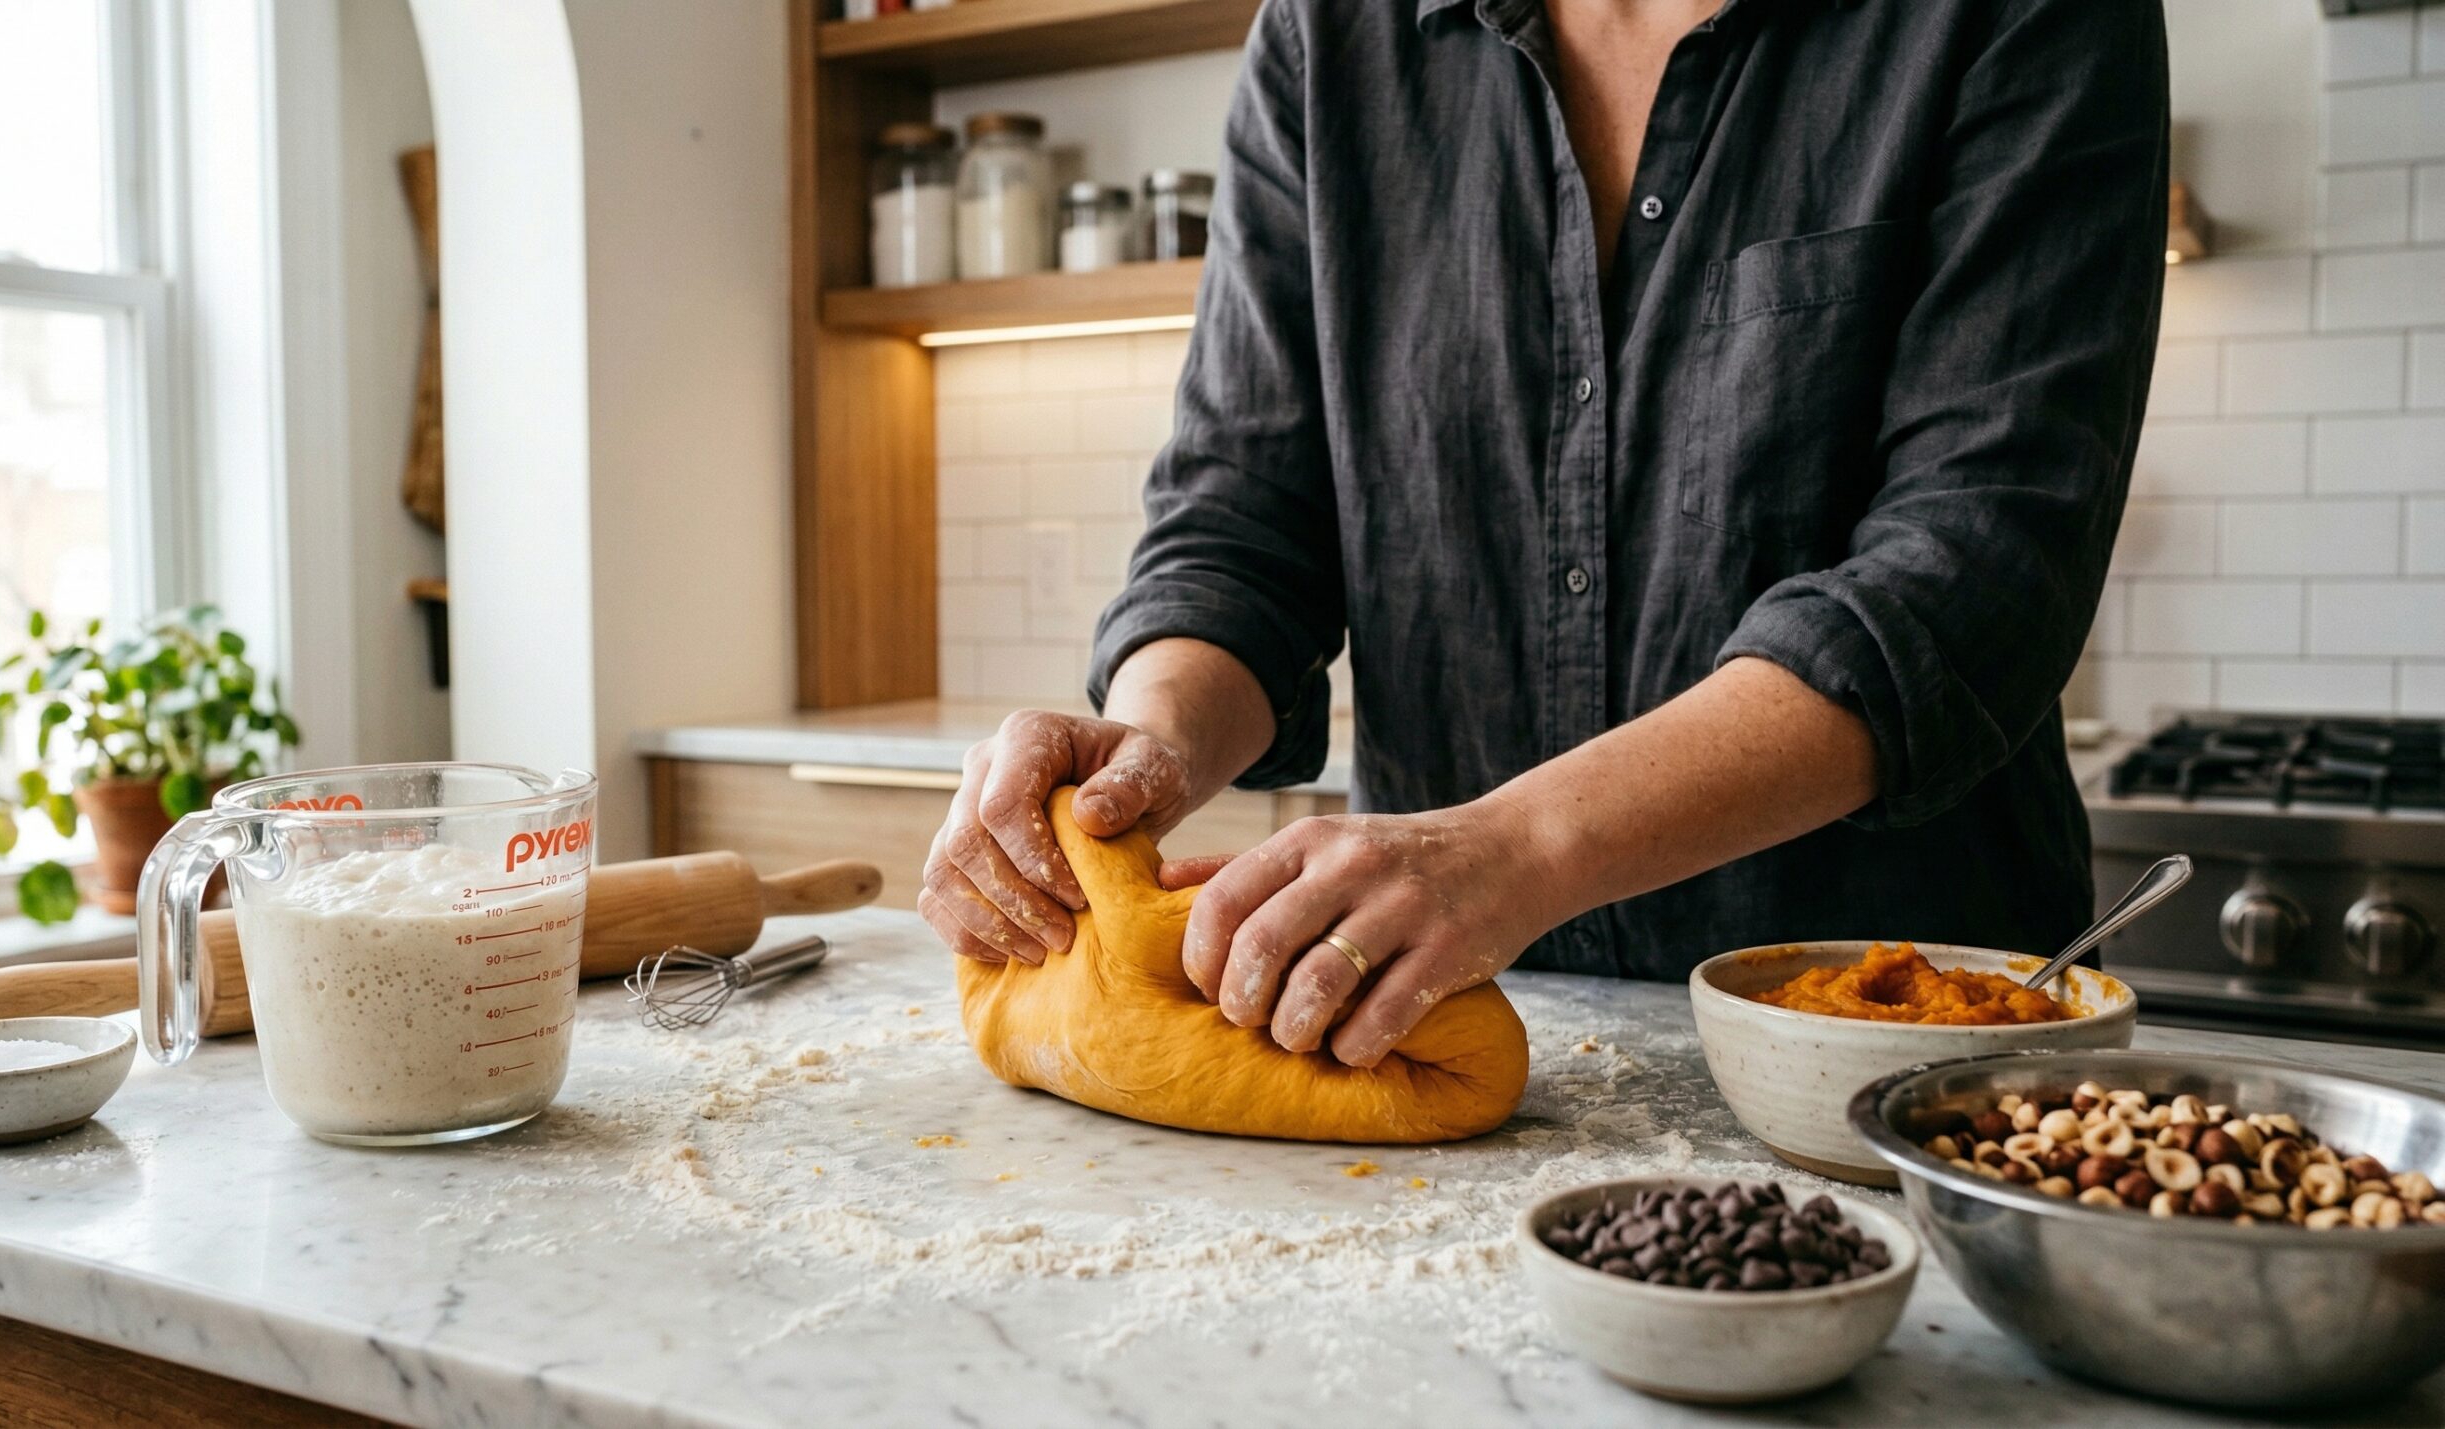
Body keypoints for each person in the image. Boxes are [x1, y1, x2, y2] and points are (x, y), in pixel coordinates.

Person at [922, 0, 2168, 1073]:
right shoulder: (1330, 35)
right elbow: (1241, 526)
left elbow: (1966, 577)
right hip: (1411, 1029)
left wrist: (1509, 851)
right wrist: (1143, 746)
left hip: (1876, 1047)